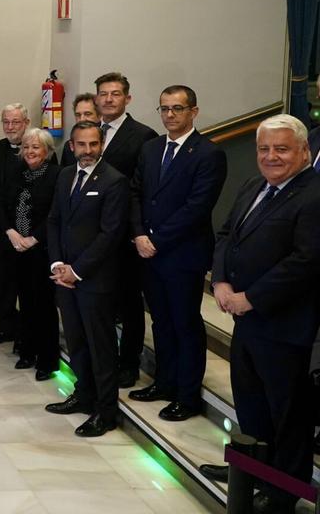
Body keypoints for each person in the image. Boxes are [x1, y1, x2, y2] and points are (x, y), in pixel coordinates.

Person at [200, 115, 320, 513]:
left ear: (304, 151)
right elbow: (225, 235)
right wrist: (219, 282)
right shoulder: (254, 185)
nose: (271, 157)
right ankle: (249, 471)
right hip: (245, 320)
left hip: (284, 325)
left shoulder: (313, 194)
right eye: (264, 149)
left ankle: (282, 492)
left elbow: (305, 261)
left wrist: (251, 297)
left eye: (282, 149)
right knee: (251, 404)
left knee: (286, 414)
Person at [128, 85, 227, 421]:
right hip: (148, 252)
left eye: (177, 109)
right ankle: (164, 382)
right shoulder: (151, 148)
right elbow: (136, 194)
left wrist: (156, 238)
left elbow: (197, 207)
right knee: (161, 321)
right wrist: (140, 234)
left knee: (185, 324)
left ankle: (187, 396)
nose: (170, 115)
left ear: (193, 112)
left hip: (183, 254)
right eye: (164, 109)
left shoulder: (208, 154)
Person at [44, 120, 128, 437]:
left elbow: (110, 235)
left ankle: (105, 413)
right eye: (82, 144)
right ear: (72, 146)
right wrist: (56, 265)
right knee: (77, 342)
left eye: (94, 144)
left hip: (94, 280)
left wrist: (76, 270)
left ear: (101, 145)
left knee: (100, 347)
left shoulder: (114, 181)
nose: (88, 150)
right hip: (63, 277)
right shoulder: (66, 175)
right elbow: (53, 222)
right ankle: (84, 395)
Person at [93, 71, 158, 388]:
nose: (108, 99)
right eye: (103, 94)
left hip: (123, 235)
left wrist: (136, 231)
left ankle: (128, 362)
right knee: (100, 301)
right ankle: (102, 359)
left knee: (130, 303)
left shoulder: (143, 135)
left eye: (115, 94)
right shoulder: (90, 132)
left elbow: (140, 189)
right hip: (91, 234)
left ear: (127, 98)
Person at [4, 128, 60, 380]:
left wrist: (33, 238)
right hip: (17, 248)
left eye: (36, 147)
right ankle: (27, 351)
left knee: (44, 305)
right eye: (26, 147)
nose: (30, 152)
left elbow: (55, 214)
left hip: (44, 249)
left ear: (47, 151)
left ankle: (47, 360)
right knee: (25, 301)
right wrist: (12, 233)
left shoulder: (58, 176)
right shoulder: (16, 173)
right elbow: (3, 205)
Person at [0, 103, 30, 348]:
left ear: (26, 123)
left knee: (25, 285)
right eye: (6, 122)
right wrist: (6, 228)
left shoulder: (37, 148)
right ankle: (5, 328)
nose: (10, 127)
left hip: (27, 234)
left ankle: (24, 334)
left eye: (16, 122)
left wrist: (22, 231)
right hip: (0, 231)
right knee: (1, 284)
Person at [60, 93, 99, 167]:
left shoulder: (106, 142)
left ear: (99, 116)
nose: (82, 119)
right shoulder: (69, 146)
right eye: (78, 115)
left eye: (88, 114)